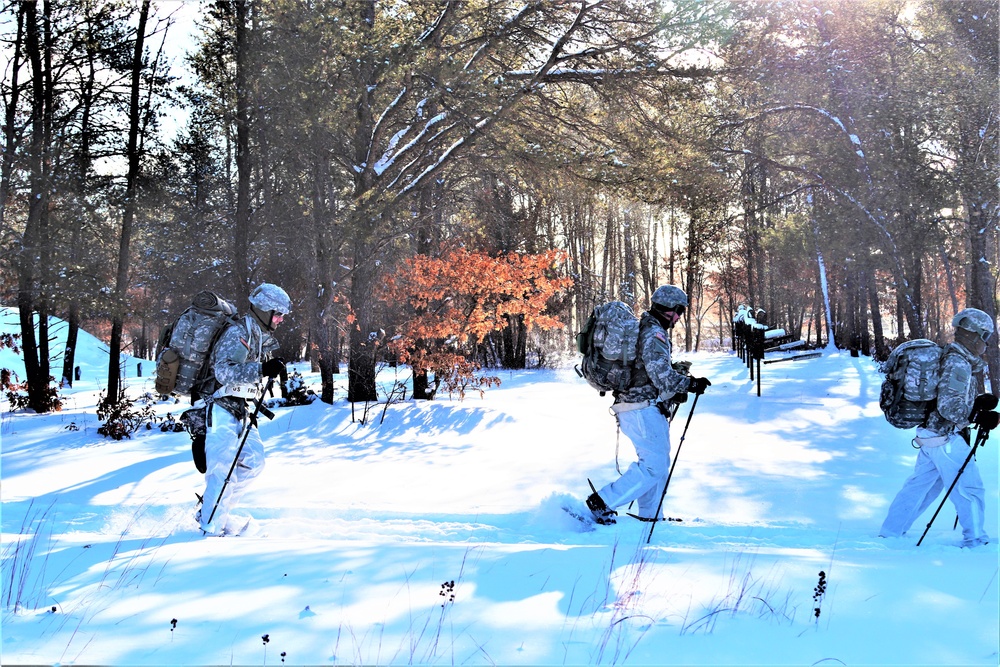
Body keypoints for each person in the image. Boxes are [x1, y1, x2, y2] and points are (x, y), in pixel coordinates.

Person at [585, 285, 711, 525]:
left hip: (638, 407)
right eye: (680, 312)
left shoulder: (647, 329)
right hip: (640, 407)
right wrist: (690, 384)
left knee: (657, 465)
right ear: (670, 310)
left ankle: (650, 517)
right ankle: (601, 502)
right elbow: (660, 375)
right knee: (654, 466)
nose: (679, 317)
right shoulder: (653, 333)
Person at [879, 307, 994, 547]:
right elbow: (949, 407)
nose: (986, 342)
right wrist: (976, 415)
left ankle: (891, 532)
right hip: (946, 439)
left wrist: (976, 403)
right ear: (974, 334)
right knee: (969, 489)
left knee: (920, 488)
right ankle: (976, 540)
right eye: (985, 336)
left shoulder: (951, 357)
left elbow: (946, 397)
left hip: (932, 436)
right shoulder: (958, 362)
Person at [197, 283, 291, 536]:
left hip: (241, 408)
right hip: (219, 406)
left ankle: (212, 510)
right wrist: (262, 369)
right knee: (223, 468)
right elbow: (224, 371)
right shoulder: (238, 332)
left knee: (254, 461)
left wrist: (266, 368)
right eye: (278, 313)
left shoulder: (257, 336)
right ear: (263, 310)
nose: (281, 319)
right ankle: (210, 530)